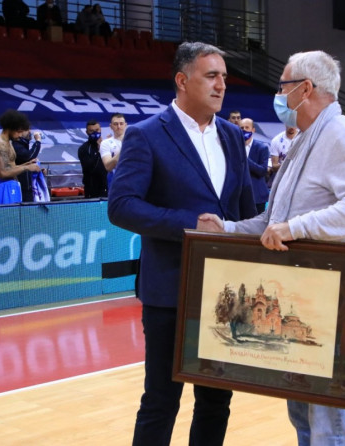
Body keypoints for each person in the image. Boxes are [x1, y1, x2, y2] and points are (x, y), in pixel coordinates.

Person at [200, 49, 345, 446]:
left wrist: (295, 227)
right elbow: (276, 220)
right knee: (302, 410)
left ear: (305, 89)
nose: (278, 95)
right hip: (306, 292)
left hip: (338, 295)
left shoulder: (342, 135)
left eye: (282, 86)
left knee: (330, 418)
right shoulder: (305, 139)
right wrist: (228, 229)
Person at [107, 42, 256, 446]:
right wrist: (190, 225)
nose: (221, 85)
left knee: (216, 401)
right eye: (211, 76)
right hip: (171, 290)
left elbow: (244, 209)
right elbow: (121, 206)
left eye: (224, 77)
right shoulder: (146, 135)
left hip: (224, 291)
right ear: (182, 80)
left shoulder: (232, 135)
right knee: (161, 401)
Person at [0, 110, 41, 204]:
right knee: (9, 214)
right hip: (6, 188)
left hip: (13, 185)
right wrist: (26, 168)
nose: (20, 135)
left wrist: (27, 164)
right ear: (11, 128)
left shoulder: (8, 142)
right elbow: (3, 173)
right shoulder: (0, 144)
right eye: (18, 132)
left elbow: (11, 167)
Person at [240, 117, 270, 213]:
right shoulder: (234, 147)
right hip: (238, 196)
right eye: (241, 128)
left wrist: (245, 160)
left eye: (247, 127)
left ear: (253, 130)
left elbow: (262, 171)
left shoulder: (262, 148)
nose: (244, 130)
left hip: (256, 196)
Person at [12, 130, 50, 202]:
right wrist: (38, 141)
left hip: (28, 187)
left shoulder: (23, 146)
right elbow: (29, 156)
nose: (30, 132)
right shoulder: (16, 145)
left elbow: (26, 162)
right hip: (21, 188)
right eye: (26, 129)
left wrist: (39, 172)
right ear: (19, 133)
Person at [78, 120, 108, 198]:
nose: (95, 133)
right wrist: (99, 149)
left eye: (97, 130)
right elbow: (89, 168)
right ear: (87, 132)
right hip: (91, 190)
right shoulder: (84, 148)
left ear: (100, 129)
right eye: (91, 131)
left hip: (107, 187)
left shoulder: (107, 145)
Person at [99, 113, 127, 191]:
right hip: (115, 179)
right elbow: (108, 167)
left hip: (133, 178)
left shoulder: (134, 141)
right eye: (115, 124)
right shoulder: (105, 143)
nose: (119, 126)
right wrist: (125, 148)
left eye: (121, 123)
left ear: (125, 125)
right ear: (111, 126)